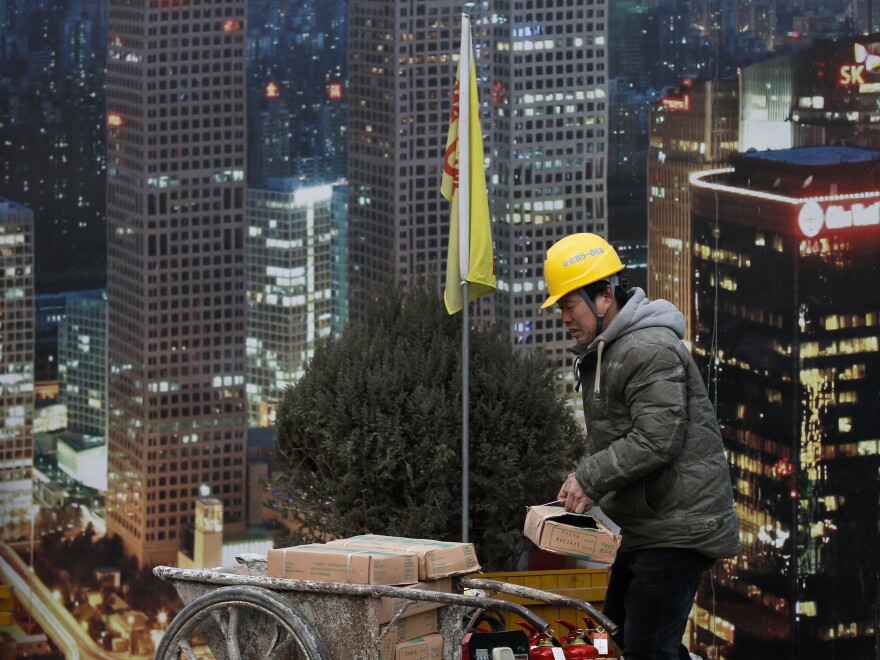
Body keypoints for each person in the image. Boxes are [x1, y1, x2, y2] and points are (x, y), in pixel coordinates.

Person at [541, 233, 740, 660]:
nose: (564, 318)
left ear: (604, 295)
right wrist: (582, 479)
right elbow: (623, 435)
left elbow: (656, 438)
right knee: (627, 633)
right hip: (650, 524)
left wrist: (589, 477)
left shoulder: (648, 348)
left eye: (569, 304)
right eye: (560, 307)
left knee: (649, 648)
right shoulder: (608, 350)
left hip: (680, 526)